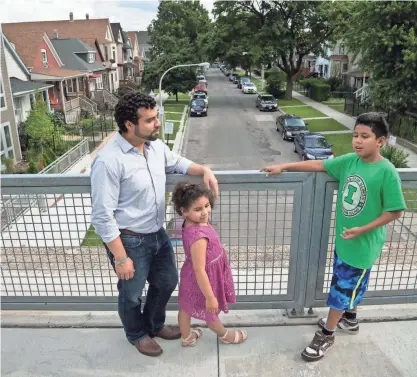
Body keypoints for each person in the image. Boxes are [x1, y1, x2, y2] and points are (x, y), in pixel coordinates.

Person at [261, 112, 406, 361]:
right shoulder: (351, 161)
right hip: (345, 241)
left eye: (365, 137)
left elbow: (395, 211)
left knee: (340, 290)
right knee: (351, 285)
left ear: (380, 141)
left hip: (362, 245)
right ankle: (349, 319)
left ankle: (327, 333)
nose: (357, 141)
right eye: (355, 136)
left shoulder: (387, 171)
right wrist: (284, 166)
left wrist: (363, 229)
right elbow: (319, 165)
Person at [90, 92, 219, 357]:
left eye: (156, 117)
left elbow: (179, 163)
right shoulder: (108, 161)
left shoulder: (155, 147)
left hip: (157, 234)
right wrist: (121, 257)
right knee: (131, 293)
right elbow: (102, 217)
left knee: (167, 281)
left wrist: (204, 170)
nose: (157, 123)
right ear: (129, 124)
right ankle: (137, 334)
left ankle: (154, 325)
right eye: (149, 120)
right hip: (129, 240)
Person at [171, 182, 248, 347]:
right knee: (210, 313)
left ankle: (187, 338)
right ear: (183, 212)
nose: (205, 212)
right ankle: (226, 335)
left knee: (186, 307)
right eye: (198, 209)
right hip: (202, 279)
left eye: (207, 206)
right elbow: (200, 269)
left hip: (190, 276)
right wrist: (210, 297)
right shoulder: (198, 236)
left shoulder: (193, 223)